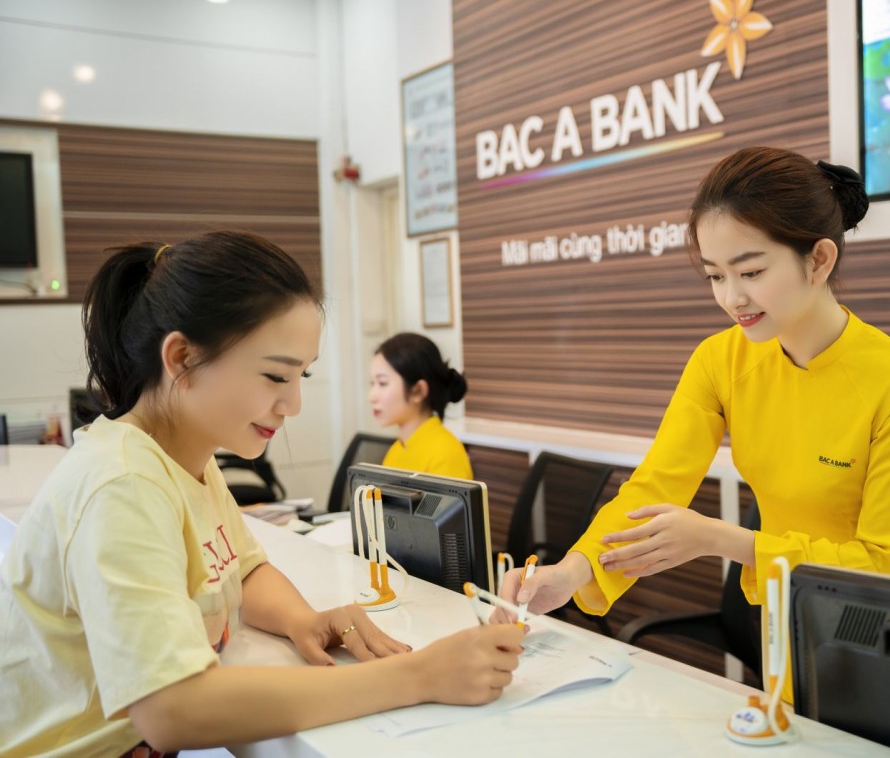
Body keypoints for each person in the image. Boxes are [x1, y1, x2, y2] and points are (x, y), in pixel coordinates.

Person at [0, 231, 523, 757]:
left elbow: (243, 570)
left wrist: (304, 620)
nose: (293, 404)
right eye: (275, 375)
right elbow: (172, 708)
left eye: (302, 376)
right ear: (181, 357)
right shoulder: (122, 485)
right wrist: (419, 676)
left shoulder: (187, 459)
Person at [497, 146, 890, 678]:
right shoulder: (719, 360)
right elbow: (655, 486)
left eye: (750, 271)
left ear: (819, 260)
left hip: (878, 632)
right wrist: (574, 570)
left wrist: (718, 539)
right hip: (786, 620)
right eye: (715, 276)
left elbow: (883, 561)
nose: (733, 298)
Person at [369, 332, 473, 479]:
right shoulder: (397, 449)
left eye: (382, 383)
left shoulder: (445, 454)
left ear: (418, 391)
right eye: (372, 384)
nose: (372, 397)